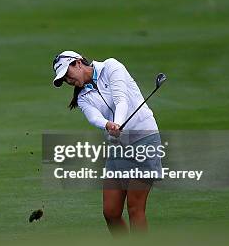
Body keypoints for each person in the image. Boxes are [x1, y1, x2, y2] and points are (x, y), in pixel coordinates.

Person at [51, 50, 163, 234]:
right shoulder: (82, 97)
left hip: (144, 140)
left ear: (78, 63)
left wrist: (117, 123)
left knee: (135, 208)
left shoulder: (111, 67)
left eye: (67, 75)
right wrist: (108, 125)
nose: (67, 81)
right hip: (118, 147)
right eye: (63, 80)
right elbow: (94, 117)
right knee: (110, 212)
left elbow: (121, 100)